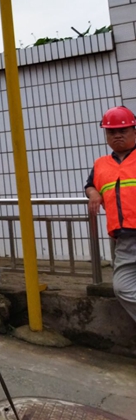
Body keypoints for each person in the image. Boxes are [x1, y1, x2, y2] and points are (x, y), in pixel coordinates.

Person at [85, 106, 136, 324]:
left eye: (122, 131)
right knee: (122, 287)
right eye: (111, 132)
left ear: (134, 131)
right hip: (124, 240)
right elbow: (89, 185)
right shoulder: (101, 164)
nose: (117, 135)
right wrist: (93, 193)